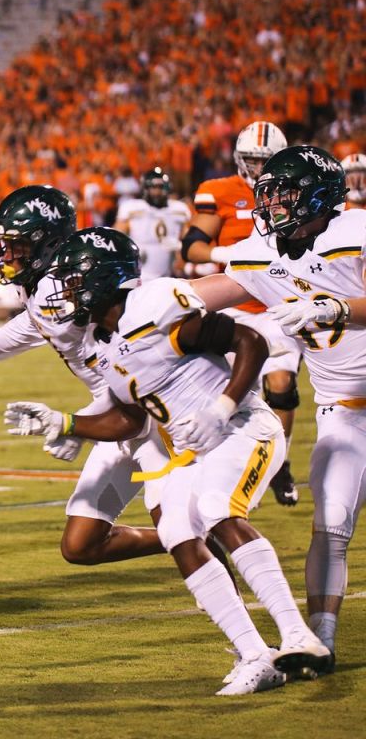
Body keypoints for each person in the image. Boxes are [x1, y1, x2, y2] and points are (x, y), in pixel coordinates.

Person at [5, 227, 330, 695]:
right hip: (190, 451)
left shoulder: (151, 309)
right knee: (178, 532)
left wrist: (221, 407)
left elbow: (250, 341)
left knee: (217, 507)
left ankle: (300, 636)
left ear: (102, 278)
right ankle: (257, 655)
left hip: (241, 427)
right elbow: (131, 419)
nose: (67, 290)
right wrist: (65, 423)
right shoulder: (102, 342)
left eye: (75, 279)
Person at [0, 187, 164, 567]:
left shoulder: (71, 289)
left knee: (180, 525)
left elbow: (126, 376)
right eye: (3, 244)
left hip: (150, 414)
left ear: (48, 245)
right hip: (118, 412)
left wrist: (78, 425)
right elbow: (31, 326)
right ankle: (197, 540)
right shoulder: (46, 284)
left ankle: (202, 547)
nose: (5, 256)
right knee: (81, 545)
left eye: (16, 246)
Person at [191, 145, 366, 670]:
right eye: (268, 194)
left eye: (283, 193)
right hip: (346, 409)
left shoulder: (354, 231)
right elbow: (197, 295)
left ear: (319, 194)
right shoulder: (261, 251)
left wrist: (335, 306)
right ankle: (322, 641)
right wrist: (131, 300)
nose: (271, 205)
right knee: (331, 523)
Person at [181, 121, 302, 506]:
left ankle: (280, 464)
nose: (258, 167)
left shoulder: (295, 188)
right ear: (238, 158)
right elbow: (193, 245)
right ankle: (226, 468)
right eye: (252, 159)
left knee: (281, 385)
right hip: (234, 305)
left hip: (278, 306)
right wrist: (227, 254)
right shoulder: (218, 191)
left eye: (266, 160)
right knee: (229, 393)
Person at [114, 167, 191, 280]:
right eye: (154, 187)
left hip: (168, 274)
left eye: (161, 187)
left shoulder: (179, 209)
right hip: (139, 274)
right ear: (145, 189)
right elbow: (116, 239)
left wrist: (180, 249)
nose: (157, 192)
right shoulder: (132, 207)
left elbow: (189, 241)